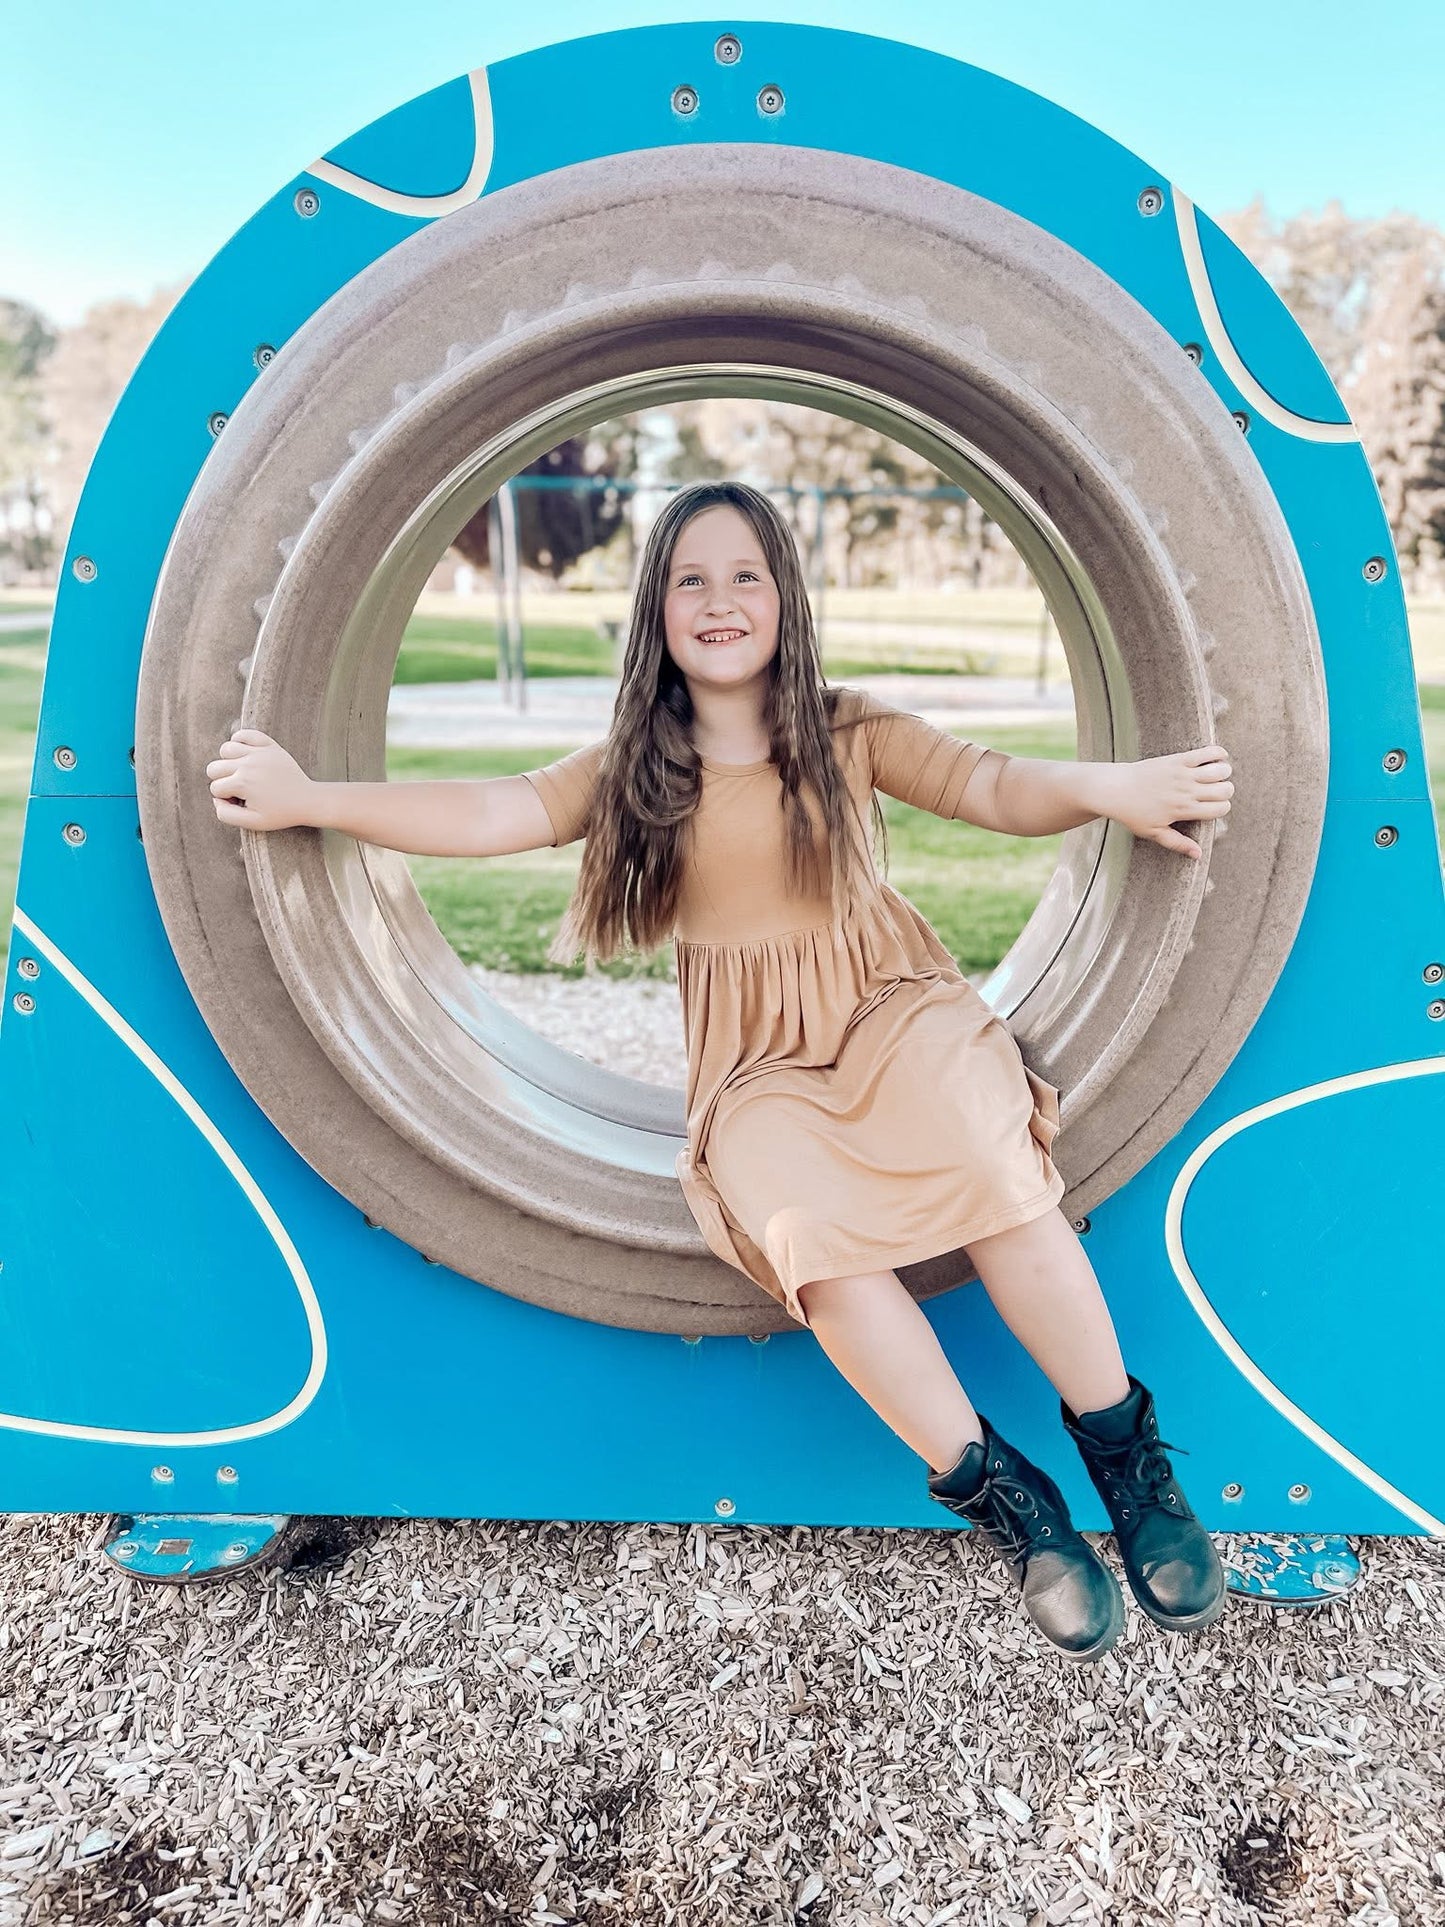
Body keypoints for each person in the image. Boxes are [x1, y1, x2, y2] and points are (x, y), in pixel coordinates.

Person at [207, 480, 1235, 1663]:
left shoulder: (846, 731)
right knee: (805, 1235)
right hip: (756, 1069)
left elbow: (994, 786)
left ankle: (1123, 1454)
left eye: (745, 574)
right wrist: (308, 799)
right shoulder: (638, 765)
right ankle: (1006, 1500)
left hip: (896, 1011)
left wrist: (1108, 786)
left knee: (987, 1157)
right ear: (655, 612)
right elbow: (490, 809)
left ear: (785, 601)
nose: (719, 599)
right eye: (689, 578)